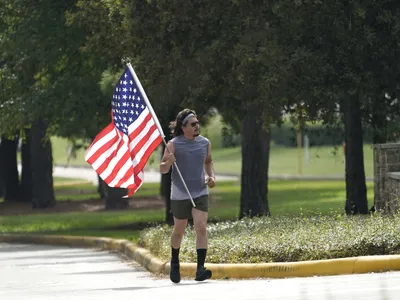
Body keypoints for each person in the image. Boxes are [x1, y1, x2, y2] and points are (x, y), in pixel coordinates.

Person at [160, 108, 216, 283]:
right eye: (193, 124)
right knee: (179, 230)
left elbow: (208, 161)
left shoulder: (205, 143)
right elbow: (162, 169)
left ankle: (200, 269)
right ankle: (175, 263)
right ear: (183, 127)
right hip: (180, 193)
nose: (197, 126)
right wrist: (167, 162)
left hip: (199, 191)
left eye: (197, 123)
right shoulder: (173, 144)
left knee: (201, 227)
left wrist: (211, 176)